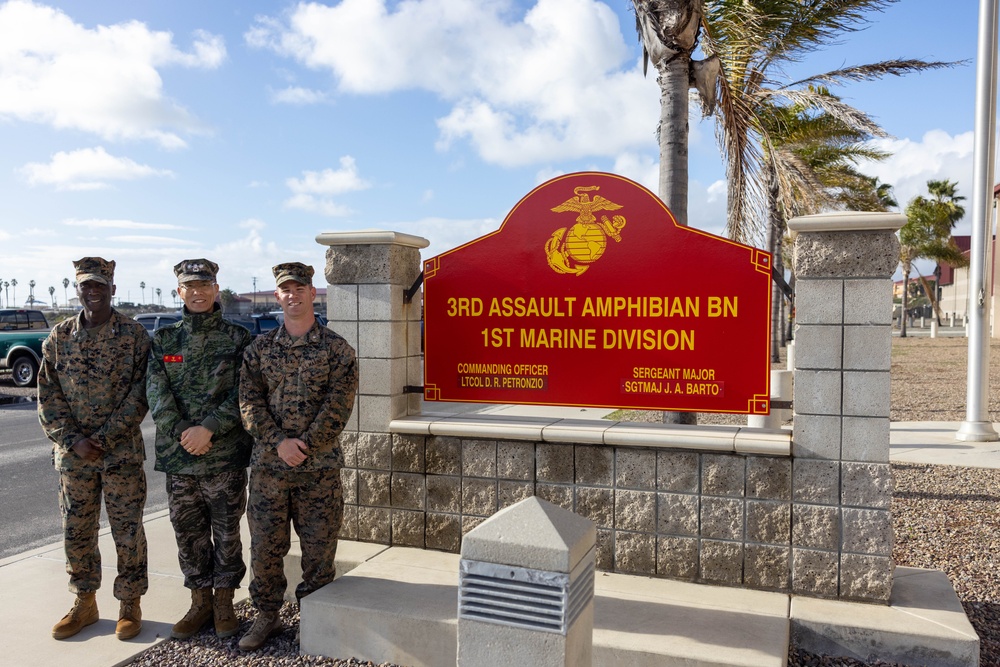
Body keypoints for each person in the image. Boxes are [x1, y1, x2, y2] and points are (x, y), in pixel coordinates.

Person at [237, 262, 358, 651]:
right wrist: (278, 443)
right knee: (266, 547)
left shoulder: (337, 349)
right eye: (285, 289)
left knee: (319, 548)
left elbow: (338, 406)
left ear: (311, 291)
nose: (293, 295)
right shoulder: (259, 350)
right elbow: (248, 402)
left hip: (317, 469)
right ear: (278, 296)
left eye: (299, 288)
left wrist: (303, 444)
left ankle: (316, 616)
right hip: (270, 470)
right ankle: (267, 615)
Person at [37, 257, 150, 641]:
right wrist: (74, 441)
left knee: (128, 531)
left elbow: (141, 395)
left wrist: (101, 439)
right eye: (86, 285)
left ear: (112, 289)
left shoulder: (134, 336)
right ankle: (85, 602)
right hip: (74, 460)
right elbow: (47, 396)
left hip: (119, 456)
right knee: (77, 530)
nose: (93, 291)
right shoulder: (59, 338)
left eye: (100, 285)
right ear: (78, 290)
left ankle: (129, 604)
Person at [146, 259, 254, 640]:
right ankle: (199, 602)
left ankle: (224, 602)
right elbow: (157, 394)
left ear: (215, 287)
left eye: (204, 285)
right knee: (187, 533)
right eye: (189, 286)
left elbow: (245, 393)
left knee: (226, 532)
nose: (197, 292)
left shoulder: (239, 339)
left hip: (223, 455)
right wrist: (183, 432)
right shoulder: (163, 340)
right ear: (179, 291)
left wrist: (208, 428)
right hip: (180, 458)